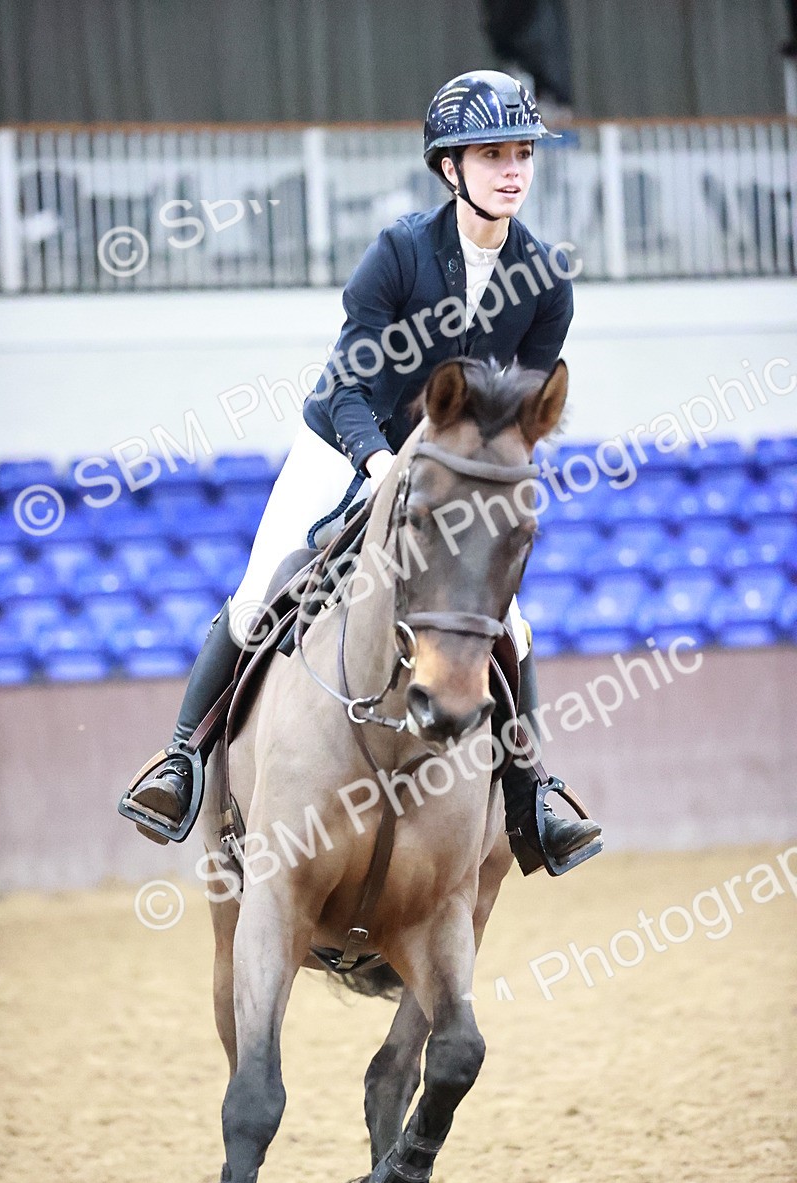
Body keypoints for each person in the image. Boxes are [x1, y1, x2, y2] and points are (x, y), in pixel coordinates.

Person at [123, 69, 601, 869]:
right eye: (492, 154)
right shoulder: (398, 254)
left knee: (513, 626)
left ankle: (533, 794)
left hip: (446, 474)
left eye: (522, 152)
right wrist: (380, 464)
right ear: (450, 169)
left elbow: (516, 417)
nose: (514, 167)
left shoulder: (545, 282)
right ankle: (181, 759)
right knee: (258, 594)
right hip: (347, 443)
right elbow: (349, 383)